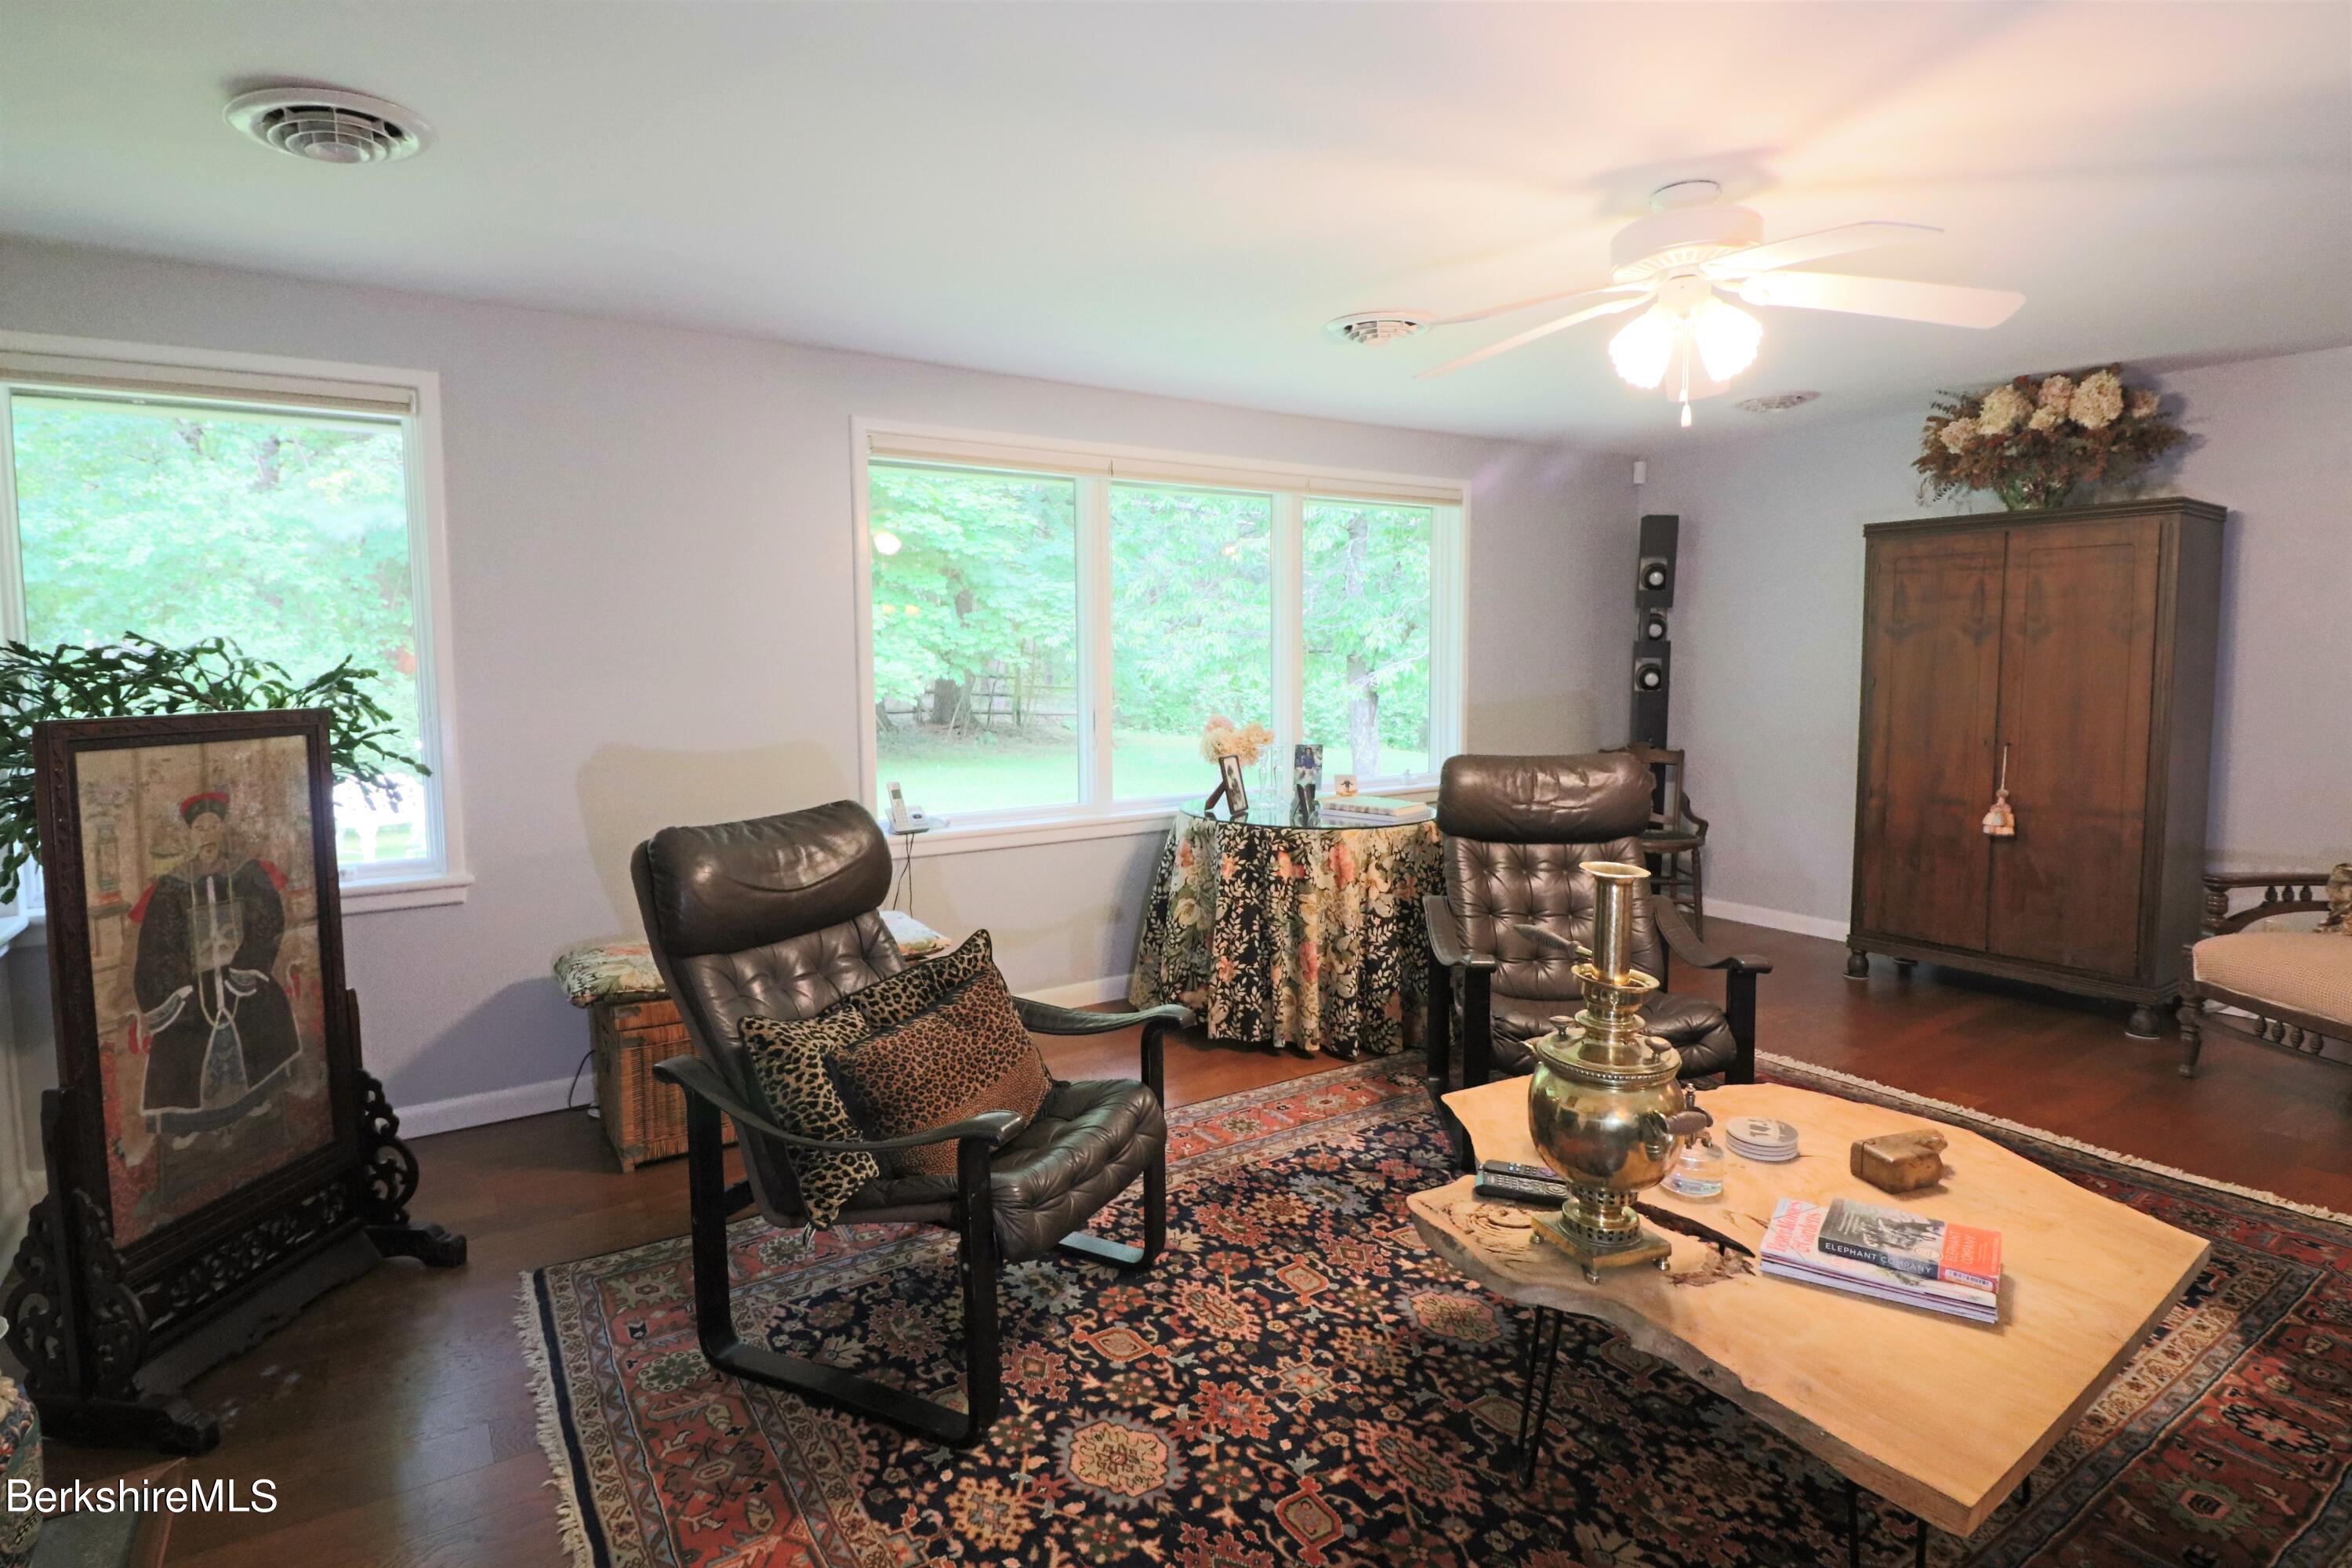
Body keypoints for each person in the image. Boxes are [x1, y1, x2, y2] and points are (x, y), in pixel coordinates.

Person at [129, 791, 302, 1141]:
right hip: (191, 981)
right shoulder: (171, 886)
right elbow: (157, 942)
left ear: (223, 830)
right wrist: (178, 984)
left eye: (213, 825)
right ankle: (187, 1122)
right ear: (190, 835)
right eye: (200, 827)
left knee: (264, 1012)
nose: (207, 833)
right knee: (181, 1037)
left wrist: (247, 966)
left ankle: (256, 1100)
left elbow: (269, 919)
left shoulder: (247, 872)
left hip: (241, 971)